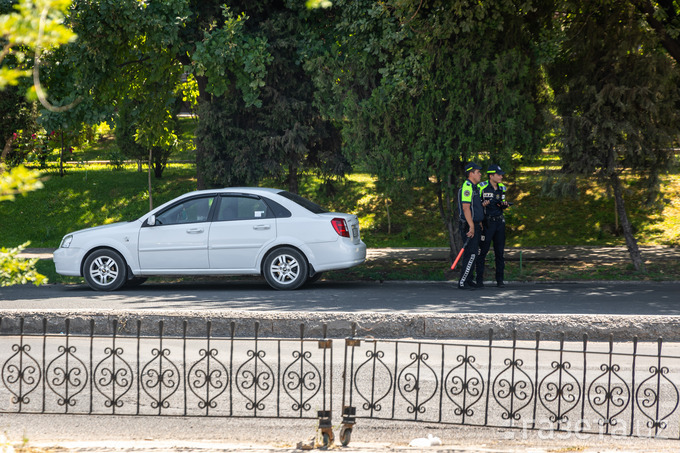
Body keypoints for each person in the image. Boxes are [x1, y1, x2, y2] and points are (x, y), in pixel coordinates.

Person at [476, 164, 509, 288]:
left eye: (501, 174)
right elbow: (476, 204)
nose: (501, 176)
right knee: (482, 252)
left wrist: (504, 205)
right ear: (491, 175)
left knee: (499, 252)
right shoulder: (482, 187)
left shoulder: (502, 188)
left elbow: (502, 204)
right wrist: (482, 205)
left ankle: (500, 280)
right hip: (487, 223)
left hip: (499, 222)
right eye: (498, 174)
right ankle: (479, 280)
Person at [457, 162, 484, 290]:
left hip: (475, 224)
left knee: (474, 253)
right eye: (478, 172)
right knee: (471, 253)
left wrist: (479, 223)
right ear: (471, 173)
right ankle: (463, 281)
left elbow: (476, 208)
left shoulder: (475, 188)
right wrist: (471, 226)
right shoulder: (467, 187)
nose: (480, 174)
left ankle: (469, 280)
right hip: (469, 225)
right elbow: (466, 208)